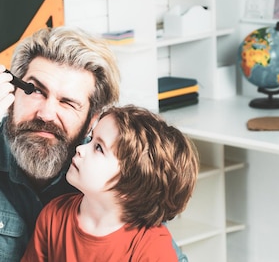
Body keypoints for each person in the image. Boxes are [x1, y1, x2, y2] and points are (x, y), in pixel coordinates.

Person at [0, 26, 185, 262]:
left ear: (92, 118)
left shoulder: (106, 172)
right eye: (35, 91)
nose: (45, 113)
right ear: (12, 94)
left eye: (68, 103)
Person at [21, 105, 199, 262]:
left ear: (131, 187)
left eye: (98, 148)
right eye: (91, 140)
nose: (80, 149)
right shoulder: (54, 215)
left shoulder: (152, 247)